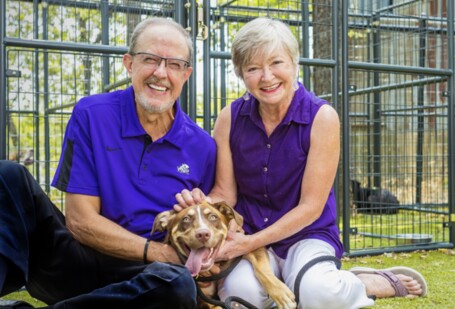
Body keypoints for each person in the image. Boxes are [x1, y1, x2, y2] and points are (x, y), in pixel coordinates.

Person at [176, 17, 427, 308]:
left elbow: (311, 207)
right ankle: (299, 281)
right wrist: (200, 205)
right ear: (242, 75)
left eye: (276, 63)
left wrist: (248, 243)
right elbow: (226, 194)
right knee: (239, 298)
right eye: (253, 68)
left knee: (318, 293)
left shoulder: (322, 117)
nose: (267, 77)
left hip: (306, 234)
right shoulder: (229, 118)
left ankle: (361, 282)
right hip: (251, 236)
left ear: (295, 63)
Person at [0, 17, 216, 308]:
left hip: (148, 278)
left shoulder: (202, 146)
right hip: (78, 260)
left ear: (186, 74)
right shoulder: (91, 114)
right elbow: (79, 222)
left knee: (177, 285)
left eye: (174, 64)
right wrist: (160, 252)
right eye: (150, 59)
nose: (161, 73)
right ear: (129, 64)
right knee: (8, 176)